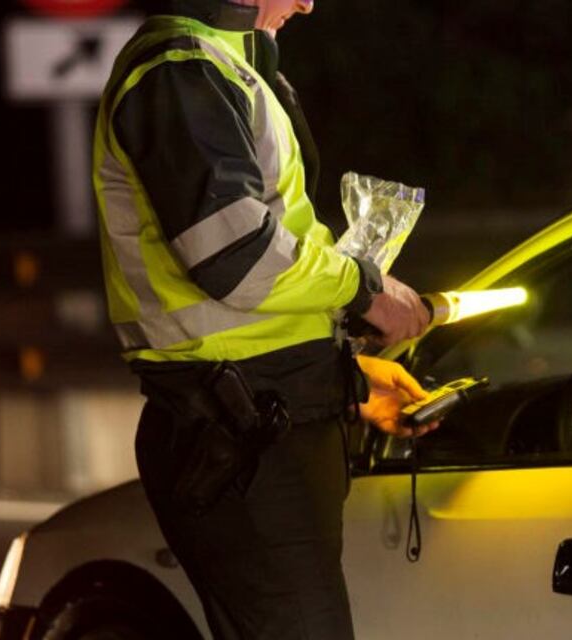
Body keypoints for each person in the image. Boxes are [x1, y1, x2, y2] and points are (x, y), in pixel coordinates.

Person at [92, 0, 433, 637]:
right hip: (240, 442)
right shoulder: (179, 72)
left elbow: (259, 282)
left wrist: (344, 378)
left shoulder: (223, 66)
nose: (307, 3)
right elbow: (233, 257)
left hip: (258, 425)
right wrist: (365, 290)